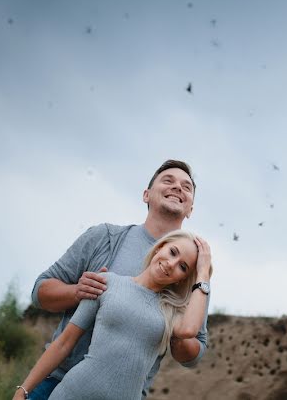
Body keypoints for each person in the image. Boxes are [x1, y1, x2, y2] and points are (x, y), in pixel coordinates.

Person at [28, 160, 210, 399]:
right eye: (168, 181)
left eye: (186, 187)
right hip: (57, 382)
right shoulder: (104, 238)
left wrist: (176, 334)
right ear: (146, 195)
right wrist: (77, 292)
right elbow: (40, 292)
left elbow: (194, 351)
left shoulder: (193, 279)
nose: (178, 187)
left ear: (191, 210)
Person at [14, 230, 212, 400]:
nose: (171, 264)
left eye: (182, 267)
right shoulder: (107, 282)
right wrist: (23, 390)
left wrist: (203, 273)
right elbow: (64, 343)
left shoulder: (171, 312)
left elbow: (189, 330)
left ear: (181, 279)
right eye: (172, 252)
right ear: (160, 247)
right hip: (72, 393)